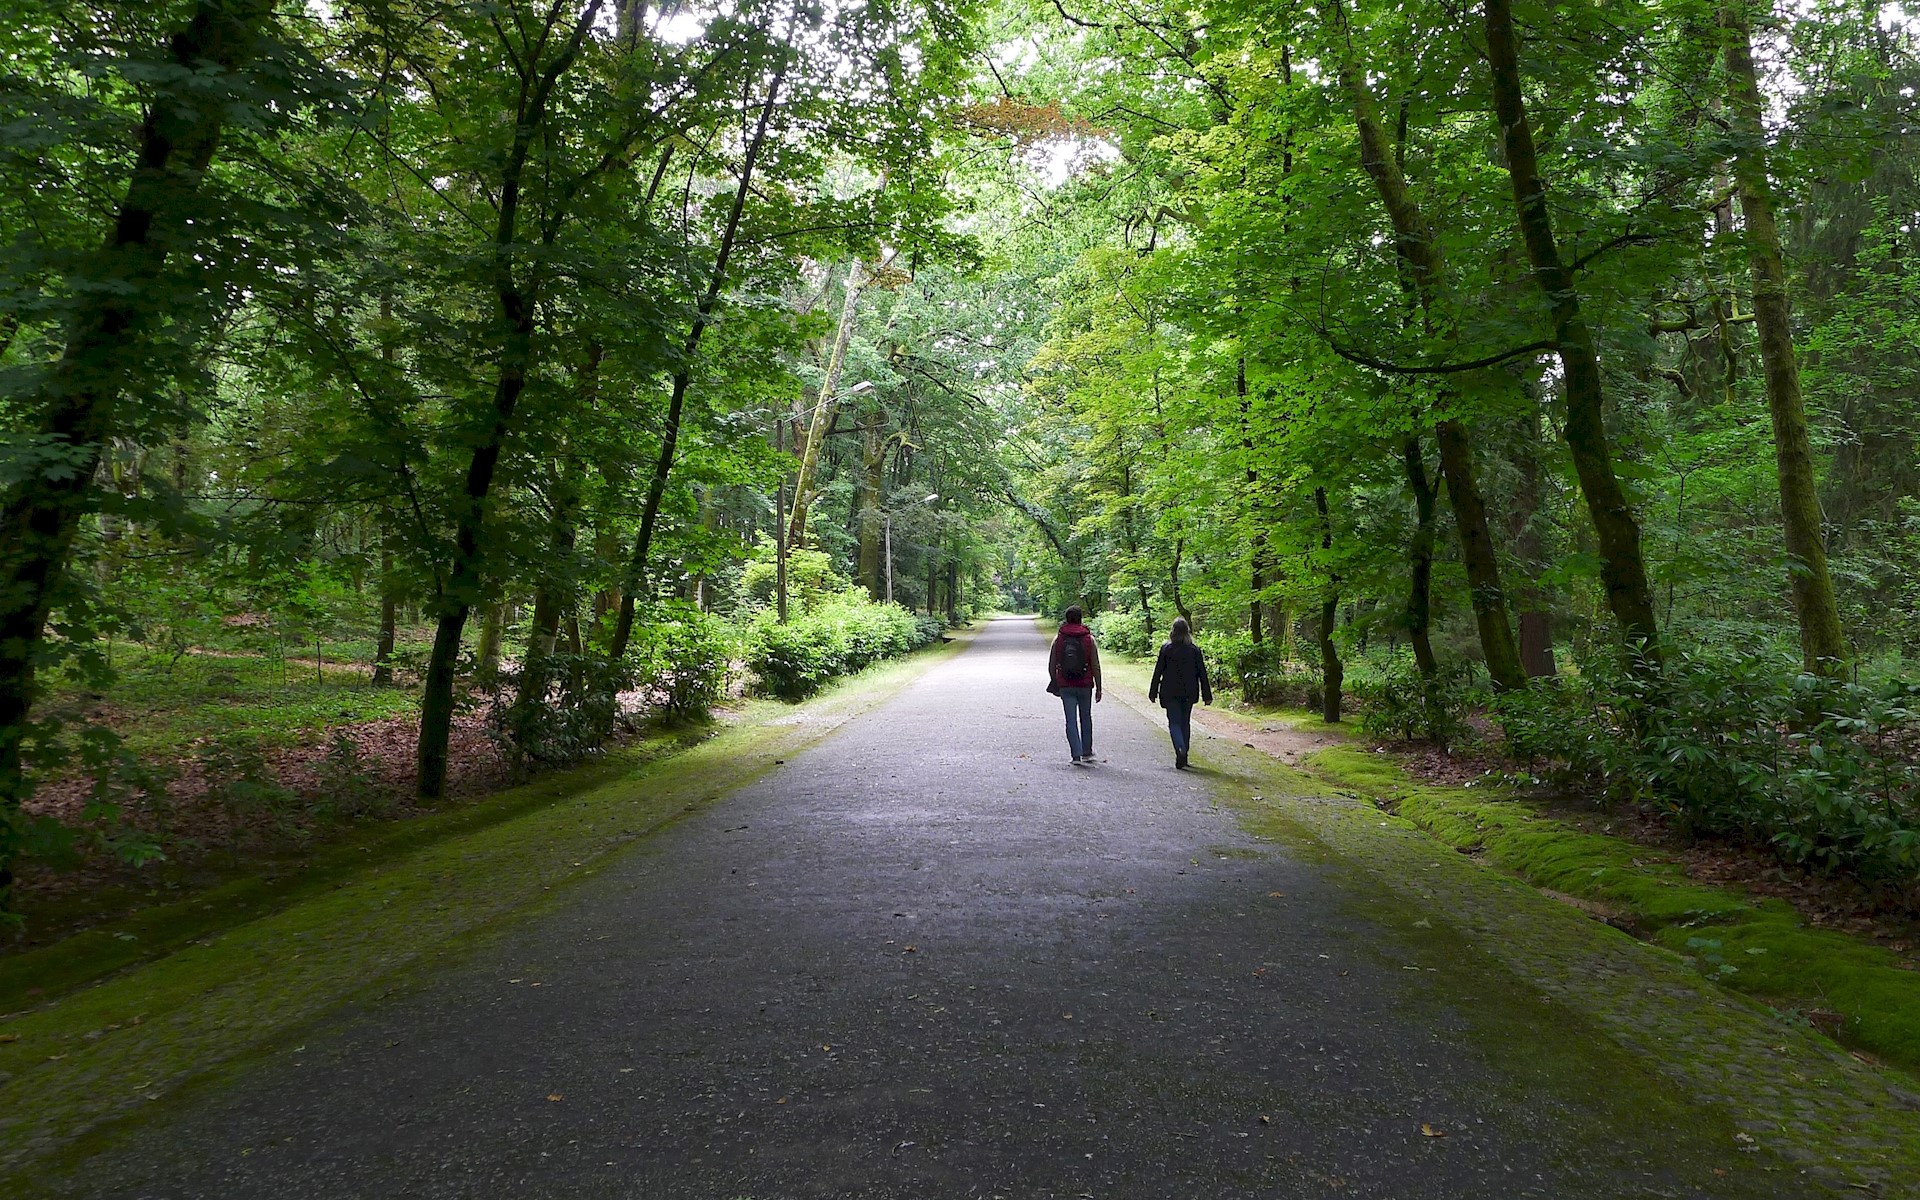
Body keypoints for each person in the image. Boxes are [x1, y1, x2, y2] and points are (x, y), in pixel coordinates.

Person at [1147, 616, 1212, 769]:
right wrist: (1207, 695)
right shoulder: (1194, 650)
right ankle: (1184, 754)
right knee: (1185, 722)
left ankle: (1180, 749)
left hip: (1170, 692)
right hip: (1189, 692)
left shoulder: (1167, 648)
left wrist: (1153, 691)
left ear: (1173, 631)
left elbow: (1158, 671)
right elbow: (1202, 673)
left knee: (1174, 723)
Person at [1048, 605, 1102, 765]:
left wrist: (1055, 682)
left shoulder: (1058, 639)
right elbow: (1096, 665)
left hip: (1066, 685)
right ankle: (1087, 751)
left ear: (1066, 619)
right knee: (1086, 717)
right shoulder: (1089, 639)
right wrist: (1099, 687)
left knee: (1070, 720)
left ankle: (1076, 755)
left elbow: (1052, 664)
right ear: (1080, 619)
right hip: (1085, 684)